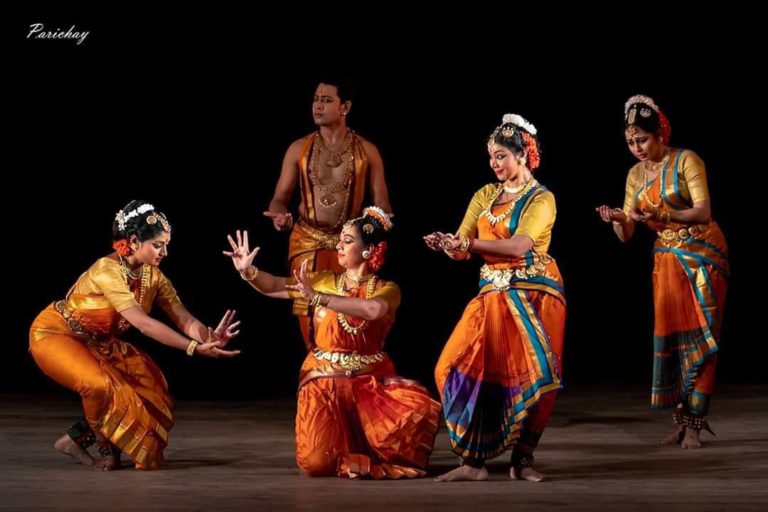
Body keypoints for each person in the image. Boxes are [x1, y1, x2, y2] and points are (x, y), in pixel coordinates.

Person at [225, 207, 440, 478]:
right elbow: (275, 286)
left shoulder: (388, 289)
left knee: (411, 421)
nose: (337, 245)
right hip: (323, 383)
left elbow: (372, 310)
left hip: (369, 386)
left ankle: (361, 450)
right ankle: (351, 453)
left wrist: (318, 298)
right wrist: (249, 272)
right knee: (315, 464)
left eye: (347, 241)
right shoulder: (323, 281)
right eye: (340, 239)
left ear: (367, 250)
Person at [29, 200, 241, 471]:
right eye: (158, 244)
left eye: (167, 243)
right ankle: (103, 445)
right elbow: (144, 324)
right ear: (134, 241)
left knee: (149, 389)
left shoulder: (153, 277)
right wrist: (192, 349)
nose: (165, 251)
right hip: (58, 334)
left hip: (101, 343)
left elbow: (183, 317)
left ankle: (79, 440)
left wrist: (207, 336)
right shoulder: (107, 271)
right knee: (99, 385)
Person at [425, 114, 565, 482]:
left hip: (532, 297)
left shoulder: (542, 198)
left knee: (532, 377)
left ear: (523, 155)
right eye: (491, 156)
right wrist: (450, 246)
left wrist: (468, 245)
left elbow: (519, 244)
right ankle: (473, 462)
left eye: (501, 155)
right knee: (451, 367)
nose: (494, 163)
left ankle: (523, 461)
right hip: (490, 297)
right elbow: (462, 244)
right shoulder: (485, 195)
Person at [596, 95, 728, 449]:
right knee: (673, 337)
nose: (637, 148)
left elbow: (703, 211)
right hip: (666, 261)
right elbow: (627, 233)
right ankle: (682, 421)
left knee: (700, 336)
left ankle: (696, 424)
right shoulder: (634, 175)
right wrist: (616, 220)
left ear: (659, 134)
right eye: (630, 142)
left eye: (642, 139)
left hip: (702, 256)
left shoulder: (687, 160)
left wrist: (662, 217)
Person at [263, 75, 393, 348]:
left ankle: (344, 380)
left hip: (349, 246)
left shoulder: (367, 152)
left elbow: (382, 202)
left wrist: (377, 223)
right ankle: (317, 377)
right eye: (315, 99)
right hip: (307, 242)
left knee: (346, 316)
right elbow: (278, 199)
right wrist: (280, 215)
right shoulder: (298, 149)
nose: (317, 106)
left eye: (326, 100)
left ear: (345, 106)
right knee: (310, 316)